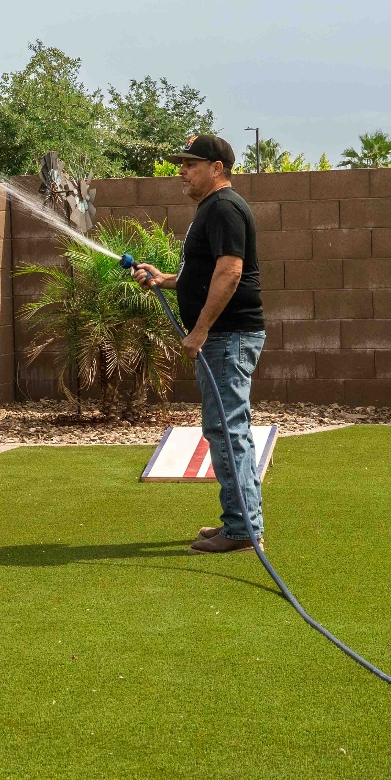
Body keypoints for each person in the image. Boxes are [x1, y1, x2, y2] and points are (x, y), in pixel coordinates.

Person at [129, 135, 265, 553]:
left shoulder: (223, 207)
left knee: (228, 431)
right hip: (224, 338)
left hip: (227, 337)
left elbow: (230, 271)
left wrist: (201, 330)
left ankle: (242, 530)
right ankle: (237, 520)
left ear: (217, 167)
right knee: (224, 429)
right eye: (181, 164)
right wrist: (166, 279)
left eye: (190, 164)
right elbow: (203, 273)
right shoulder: (212, 209)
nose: (181, 171)